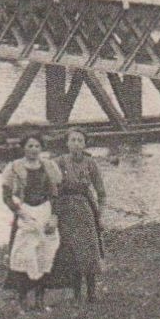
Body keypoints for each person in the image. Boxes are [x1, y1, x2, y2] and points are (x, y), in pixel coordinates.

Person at [1, 134, 62, 311]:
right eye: (29, 146)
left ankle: (40, 300)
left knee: (45, 256)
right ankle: (22, 301)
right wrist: (20, 212)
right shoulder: (14, 168)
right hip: (26, 212)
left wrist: (54, 216)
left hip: (45, 211)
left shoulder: (49, 166)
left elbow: (56, 194)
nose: (33, 150)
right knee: (24, 257)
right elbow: (6, 196)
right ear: (23, 148)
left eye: (37, 146)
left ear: (41, 148)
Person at [50, 128, 108, 303]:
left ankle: (91, 292)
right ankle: (76, 293)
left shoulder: (91, 163)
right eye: (73, 140)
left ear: (85, 144)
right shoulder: (58, 162)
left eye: (80, 141)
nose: (76, 144)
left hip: (85, 208)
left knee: (90, 248)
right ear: (67, 143)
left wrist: (101, 215)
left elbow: (101, 192)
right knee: (70, 250)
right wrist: (53, 213)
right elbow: (52, 189)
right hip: (65, 209)